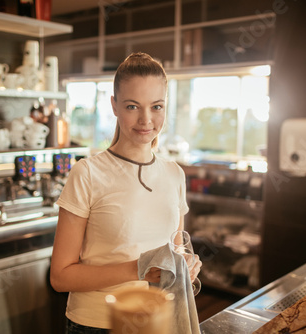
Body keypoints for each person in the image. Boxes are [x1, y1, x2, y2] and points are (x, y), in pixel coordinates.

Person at [50, 52, 202, 333]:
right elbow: (61, 277)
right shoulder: (87, 173)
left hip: (157, 320)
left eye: (157, 107)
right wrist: (140, 268)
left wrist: (186, 266)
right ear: (114, 106)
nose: (146, 119)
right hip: (98, 324)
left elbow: (175, 248)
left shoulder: (174, 174)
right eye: (133, 106)